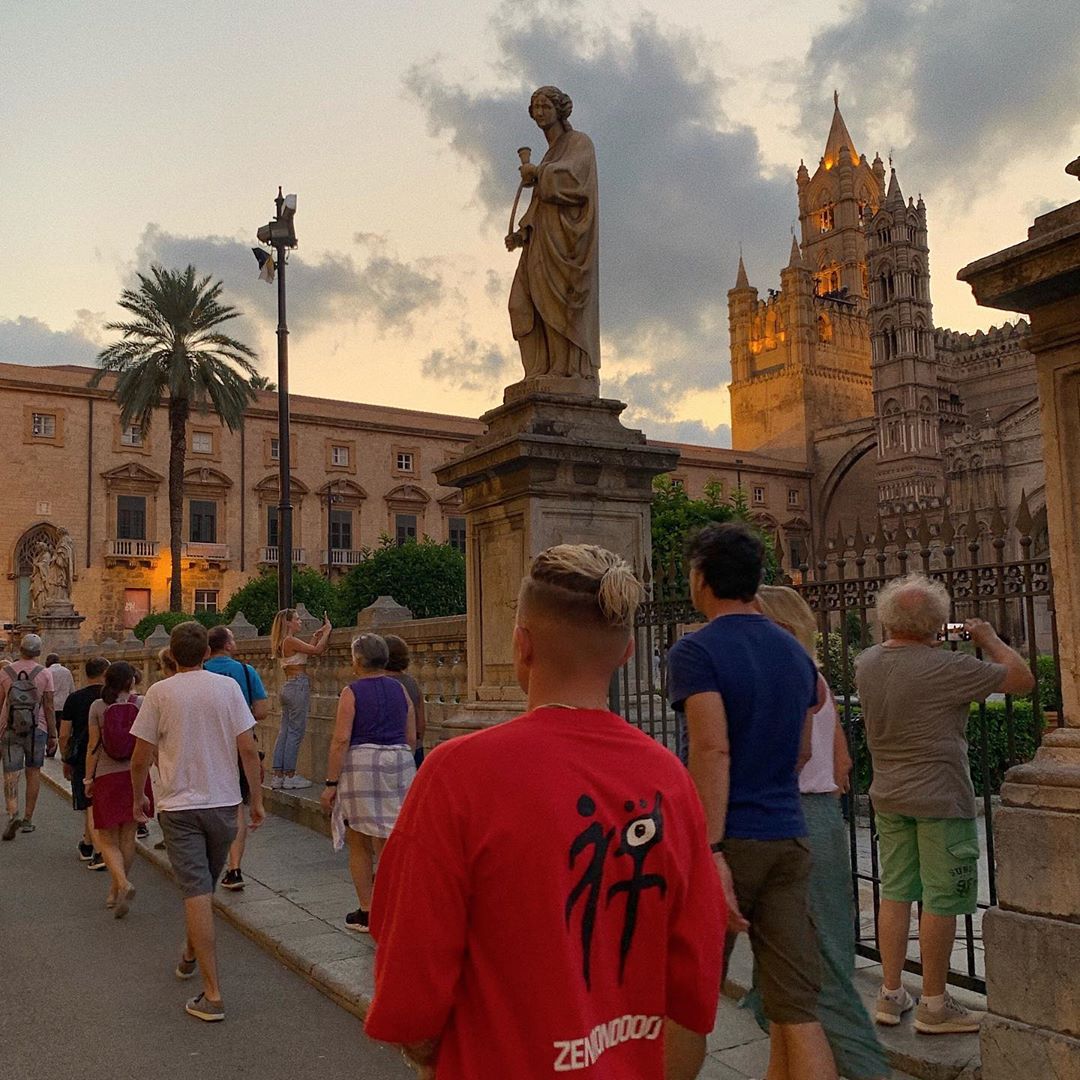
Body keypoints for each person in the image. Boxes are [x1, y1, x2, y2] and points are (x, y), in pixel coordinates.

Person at [365, 545, 724, 1079]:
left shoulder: (456, 775)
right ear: (626, 653)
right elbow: (693, 985)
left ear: (522, 645)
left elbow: (411, 980)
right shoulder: (670, 780)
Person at [667, 522, 838, 1080]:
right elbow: (803, 749)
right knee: (796, 1006)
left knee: (691, 996)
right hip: (787, 834)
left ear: (700, 578)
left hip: (728, 839)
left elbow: (711, 749)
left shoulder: (697, 651)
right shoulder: (793, 652)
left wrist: (710, 847)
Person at [855, 574, 1035, 1035]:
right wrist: (988, 638)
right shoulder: (948, 668)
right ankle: (935, 1003)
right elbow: (1022, 679)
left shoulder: (866, 662)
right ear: (937, 622)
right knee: (941, 898)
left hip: (888, 794)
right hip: (940, 796)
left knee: (895, 891)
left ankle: (890, 993)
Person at [746, 586, 888, 1080]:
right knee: (790, 974)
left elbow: (787, 757)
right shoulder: (813, 676)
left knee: (807, 976)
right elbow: (841, 760)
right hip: (820, 816)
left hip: (793, 818)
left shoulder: (786, 678)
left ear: (780, 628)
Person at [129, 621, 264, 1022]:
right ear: (207, 652)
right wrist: (256, 800)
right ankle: (190, 953)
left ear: (171, 655)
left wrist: (138, 799)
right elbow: (248, 749)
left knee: (196, 892)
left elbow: (140, 758)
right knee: (204, 887)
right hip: (224, 803)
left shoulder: (159, 693)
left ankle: (213, 994)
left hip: (179, 806)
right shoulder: (229, 688)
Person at [321, 634, 415, 932]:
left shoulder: (352, 692)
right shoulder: (400, 689)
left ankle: (368, 910)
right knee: (389, 839)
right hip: (399, 762)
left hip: (363, 763)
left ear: (357, 660)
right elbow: (411, 736)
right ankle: (393, 905)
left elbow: (341, 739)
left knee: (359, 840)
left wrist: (331, 783)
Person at [506, 86, 600, 383]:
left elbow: (575, 180)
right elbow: (539, 205)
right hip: (540, 241)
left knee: (557, 306)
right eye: (536, 107)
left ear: (559, 110)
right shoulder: (550, 154)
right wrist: (522, 233)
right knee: (520, 303)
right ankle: (537, 371)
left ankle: (563, 371)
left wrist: (539, 174)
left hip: (565, 242)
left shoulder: (579, 142)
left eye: (545, 106)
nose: (540, 112)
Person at [204, 625, 268, 891]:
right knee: (237, 806)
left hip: (207, 746)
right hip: (240, 744)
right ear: (228, 645)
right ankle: (234, 868)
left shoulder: (199, 671)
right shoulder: (246, 671)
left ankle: (209, 861)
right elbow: (261, 710)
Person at [84, 661, 149, 918]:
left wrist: (88, 779)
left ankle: (121, 884)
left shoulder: (98, 707)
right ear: (131, 681)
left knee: (106, 838)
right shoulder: (141, 704)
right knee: (128, 836)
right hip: (134, 775)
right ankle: (116, 889)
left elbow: (93, 746)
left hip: (107, 775)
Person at [0, 633, 56, 841]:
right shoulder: (45, 673)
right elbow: (49, 706)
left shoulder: (5, 672)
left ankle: (13, 811)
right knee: (33, 772)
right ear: (38, 652)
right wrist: (53, 735)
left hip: (10, 728)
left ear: (20, 649)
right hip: (37, 729)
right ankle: (28, 818)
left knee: (11, 773)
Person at [269, 608, 332, 789]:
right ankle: (290, 775)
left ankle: (278, 775)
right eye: (297, 619)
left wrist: (315, 636)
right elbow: (317, 651)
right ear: (288, 622)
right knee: (295, 732)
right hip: (298, 686)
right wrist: (327, 631)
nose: (300, 622)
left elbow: (305, 653)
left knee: (285, 731)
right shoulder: (290, 640)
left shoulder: (282, 642)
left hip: (288, 686)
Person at [58, 656, 109, 866]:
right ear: (105, 674)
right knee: (95, 803)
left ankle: (99, 851)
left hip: (82, 756)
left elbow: (64, 733)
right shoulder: (111, 697)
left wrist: (65, 758)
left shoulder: (75, 698)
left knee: (89, 803)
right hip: (109, 755)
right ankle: (88, 844)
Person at [384, 634, 426, 767]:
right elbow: (421, 722)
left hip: (389, 748)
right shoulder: (412, 683)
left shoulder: (381, 684)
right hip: (413, 747)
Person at [44, 653, 74, 757]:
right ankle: (64, 751)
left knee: (50, 728)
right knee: (62, 730)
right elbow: (72, 689)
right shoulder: (67, 672)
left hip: (50, 705)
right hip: (64, 704)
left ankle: (51, 748)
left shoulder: (46, 672)